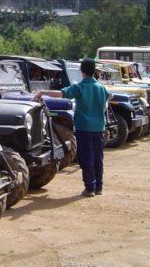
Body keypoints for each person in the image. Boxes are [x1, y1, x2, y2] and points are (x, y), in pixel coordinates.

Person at [34, 58, 111, 197]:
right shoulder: (101, 88)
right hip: (99, 127)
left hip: (84, 128)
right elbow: (109, 96)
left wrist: (43, 93)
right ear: (94, 71)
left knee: (85, 158)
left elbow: (60, 94)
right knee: (98, 158)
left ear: (82, 71)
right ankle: (99, 187)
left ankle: (89, 188)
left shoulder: (79, 87)